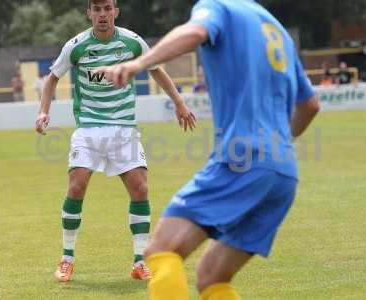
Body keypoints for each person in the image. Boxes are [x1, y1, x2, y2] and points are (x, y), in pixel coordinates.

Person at [96, 0, 320, 299]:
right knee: (212, 276)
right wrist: (277, 147)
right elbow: (310, 105)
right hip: (283, 172)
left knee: (162, 250)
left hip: (243, 160)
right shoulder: (275, 28)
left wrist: (138, 63)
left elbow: (195, 32)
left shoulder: (218, 7)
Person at [35, 0, 196, 283]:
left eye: (107, 8)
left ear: (115, 12)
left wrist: (179, 103)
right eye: (96, 9)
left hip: (123, 130)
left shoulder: (133, 42)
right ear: (89, 14)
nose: (102, 15)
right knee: (76, 186)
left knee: (140, 188)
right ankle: (67, 258)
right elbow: (51, 78)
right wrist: (44, 111)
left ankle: (139, 262)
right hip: (88, 129)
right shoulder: (76, 46)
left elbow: (156, 69)